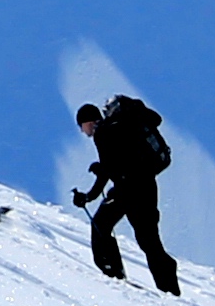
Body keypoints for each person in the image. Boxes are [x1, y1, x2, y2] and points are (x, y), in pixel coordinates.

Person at [71, 93, 180, 295]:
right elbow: (114, 165)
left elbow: (109, 169)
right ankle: (169, 288)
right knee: (149, 241)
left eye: (82, 125)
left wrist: (89, 195)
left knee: (101, 225)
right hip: (145, 186)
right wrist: (99, 175)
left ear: (89, 122)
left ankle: (113, 273)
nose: (83, 131)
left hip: (127, 190)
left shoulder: (103, 133)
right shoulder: (119, 128)